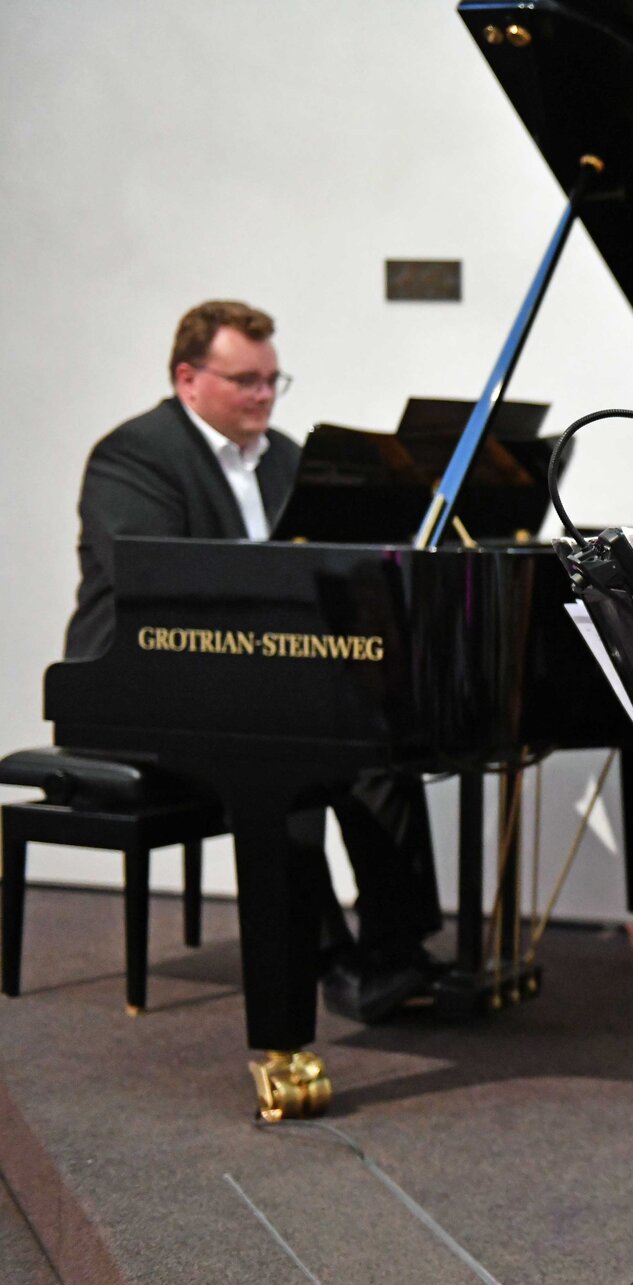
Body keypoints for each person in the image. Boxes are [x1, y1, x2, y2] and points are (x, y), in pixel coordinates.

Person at [66, 299, 443, 1022]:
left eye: (274, 380)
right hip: (136, 686)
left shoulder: (288, 457)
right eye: (246, 380)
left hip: (254, 673)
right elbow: (160, 582)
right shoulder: (134, 457)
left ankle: (396, 950)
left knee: (380, 745)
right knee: (285, 759)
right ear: (188, 378)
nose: (265, 395)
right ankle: (324, 959)